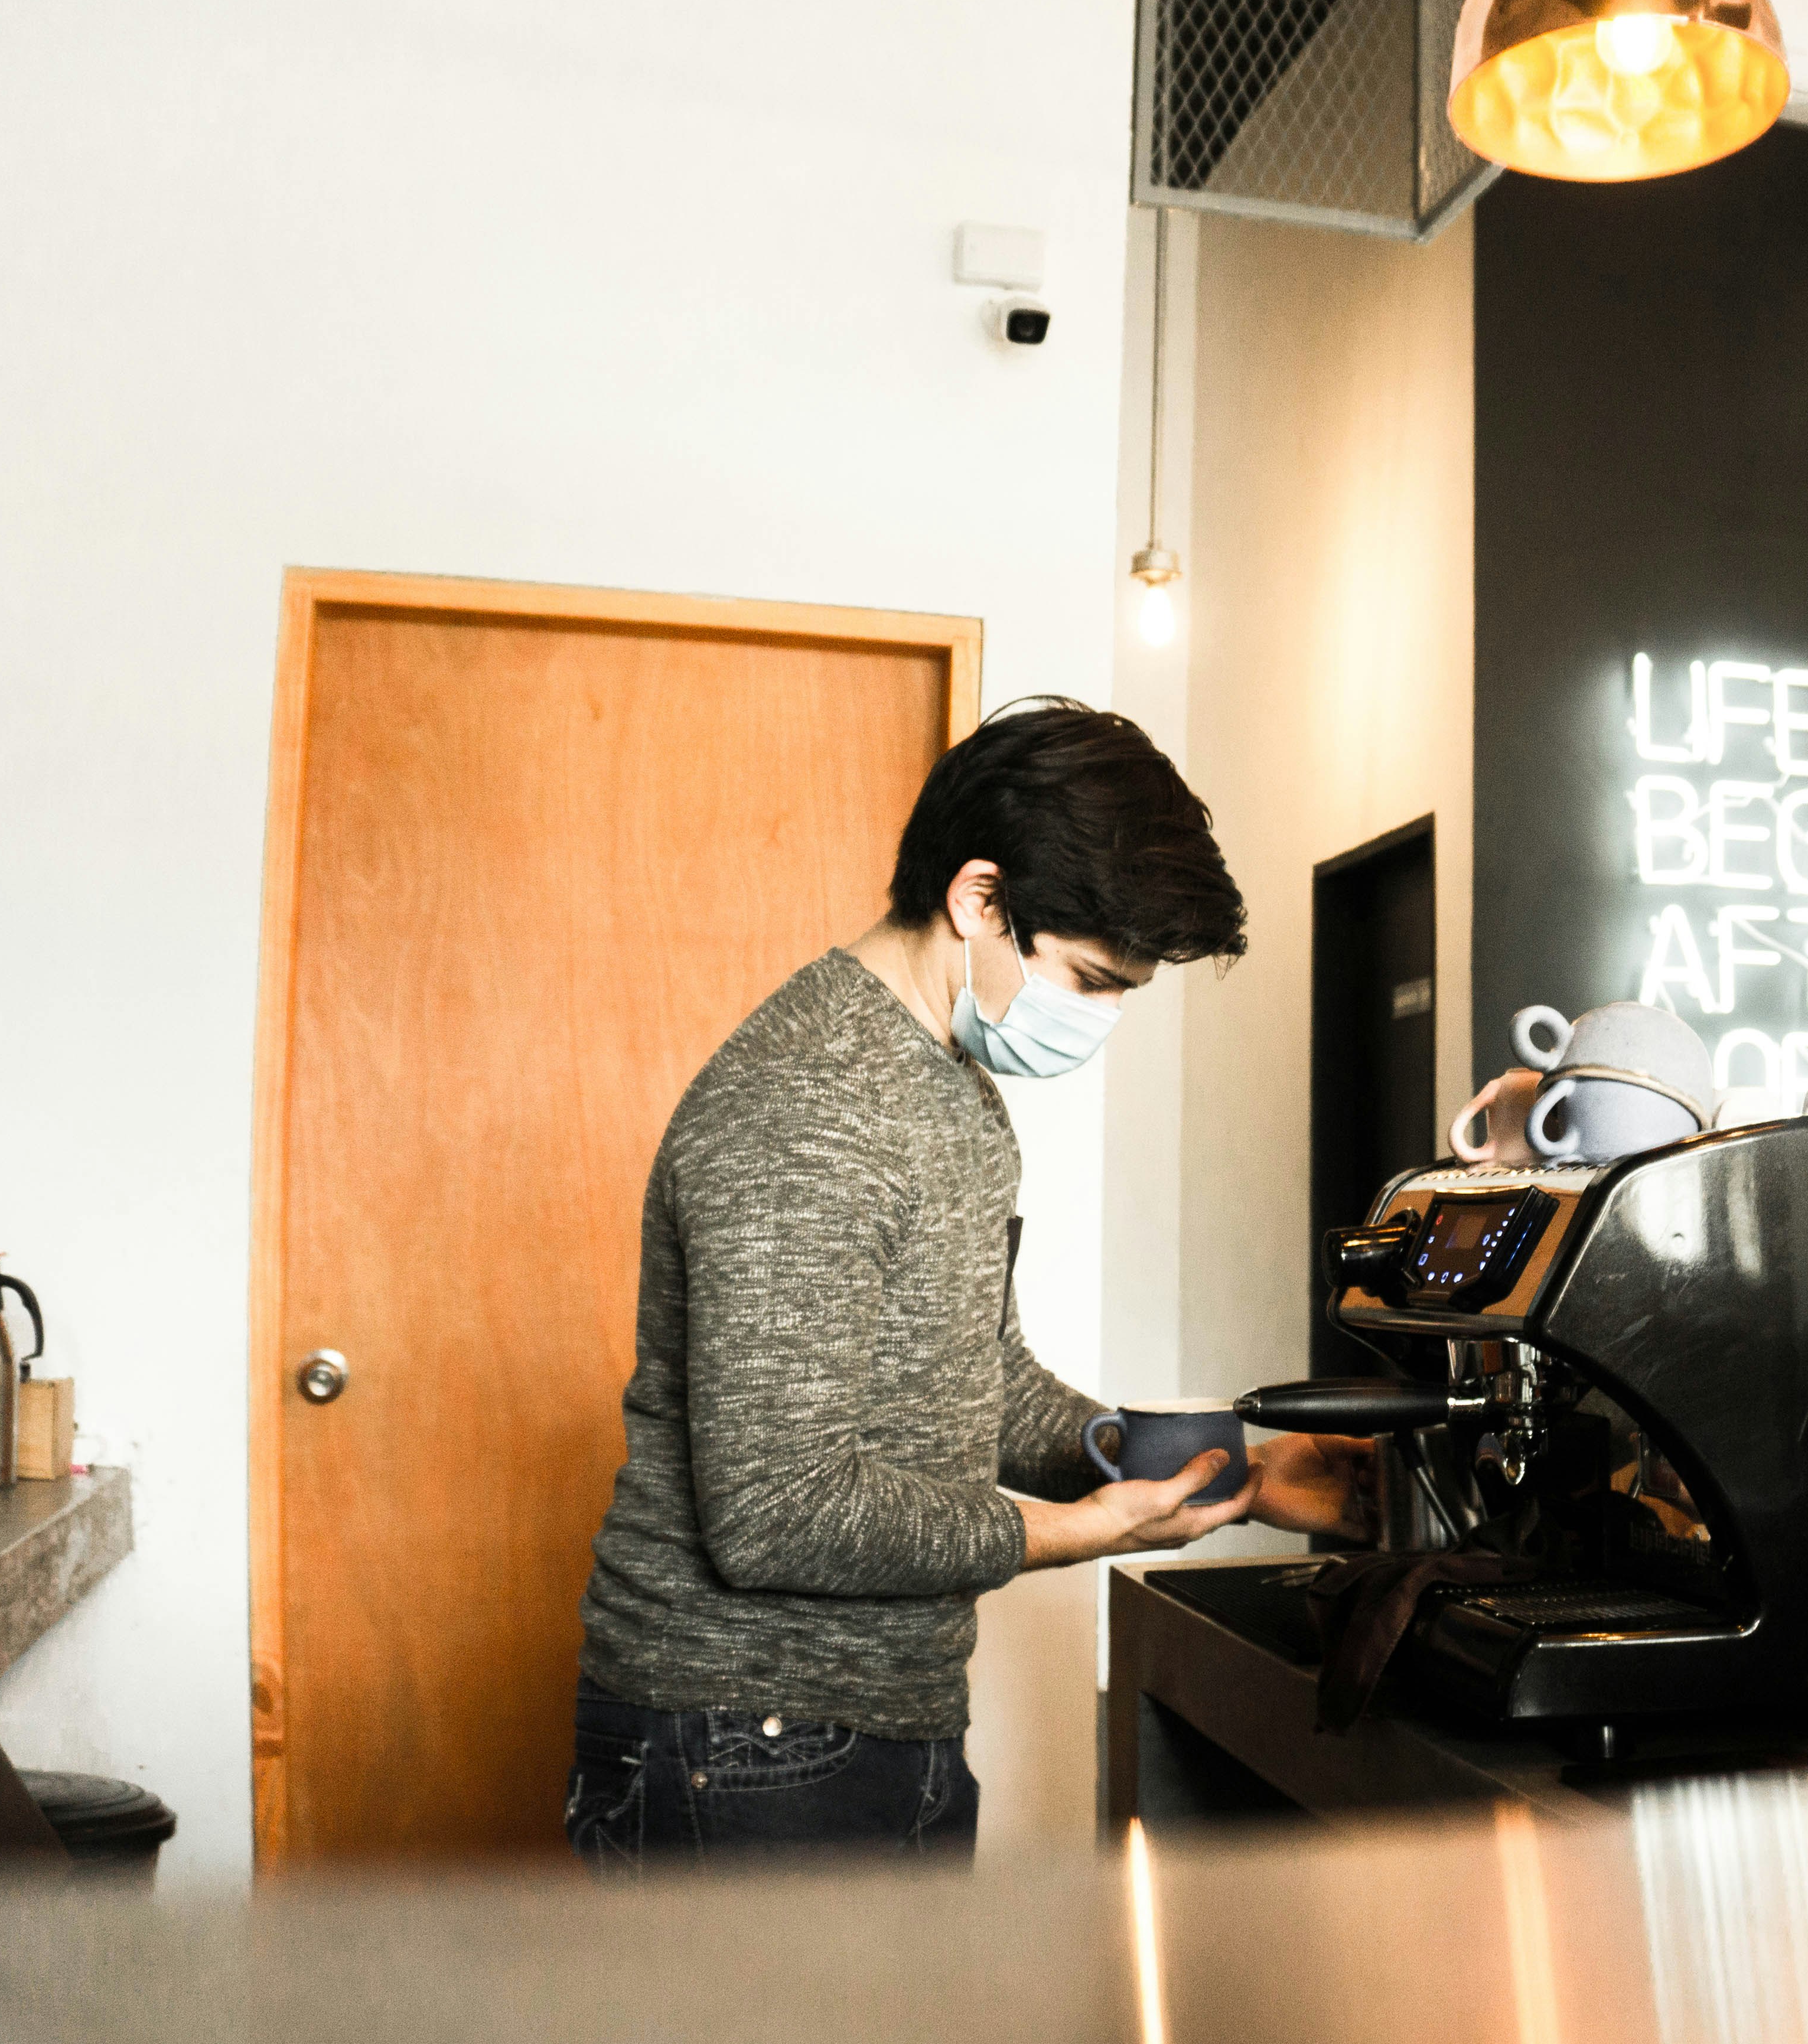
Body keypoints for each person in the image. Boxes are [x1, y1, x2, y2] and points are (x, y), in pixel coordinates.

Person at [568, 697, 1369, 1869]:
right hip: (739, 1736)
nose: (1095, 1022)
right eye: (1092, 980)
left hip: (877, 1720)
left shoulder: (952, 1090)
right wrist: (1067, 1532)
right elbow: (775, 1508)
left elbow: (973, 1380)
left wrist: (1213, 1470)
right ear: (979, 900)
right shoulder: (808, 1106)